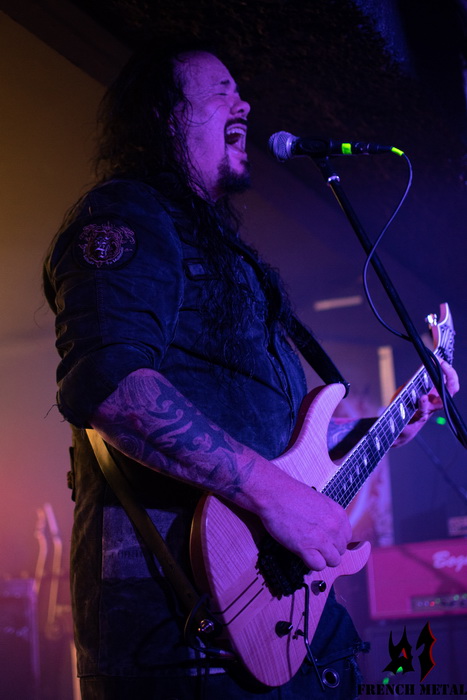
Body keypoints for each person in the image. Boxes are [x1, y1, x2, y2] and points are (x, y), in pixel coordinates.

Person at [43, 43, 458, 700]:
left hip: (289, 621)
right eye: (221, 92)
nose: (244, 104)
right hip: (182, 632)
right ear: (163, 115)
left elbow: (275, 442)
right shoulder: (124, 216)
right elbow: (111, 385)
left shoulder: (223, 249)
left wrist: (385, 425)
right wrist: (276, 497)